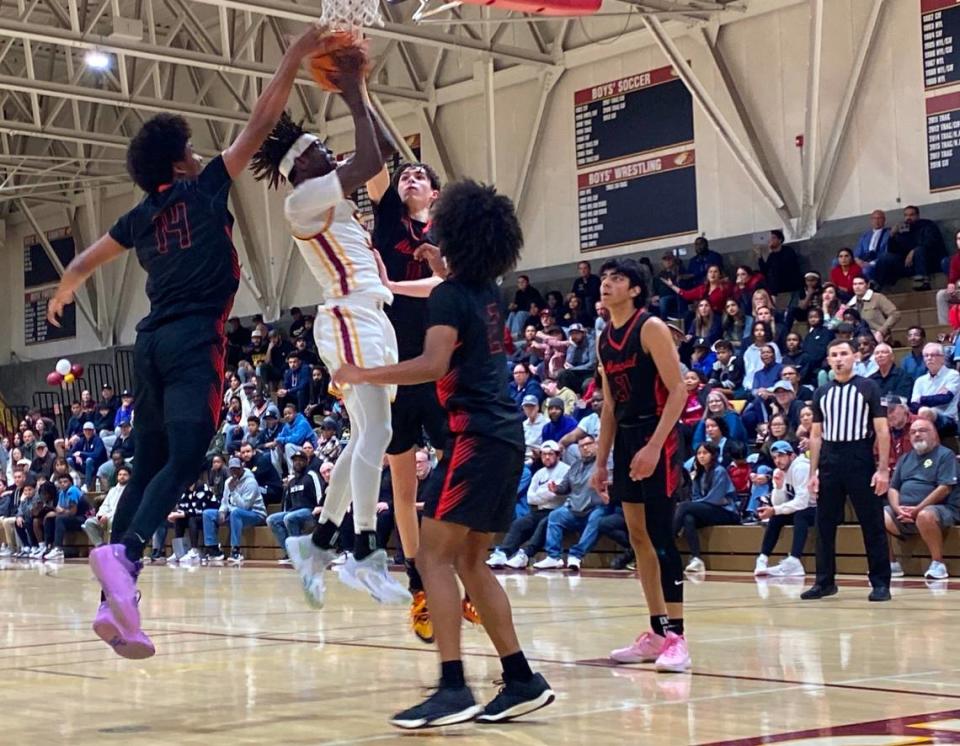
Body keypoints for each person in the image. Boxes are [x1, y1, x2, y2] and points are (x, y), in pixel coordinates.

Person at [44, 26, 328, 659]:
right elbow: (263, 119)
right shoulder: (203, 190)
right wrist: (292, 54)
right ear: (179, 163)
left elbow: (85, 261)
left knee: (147, 466)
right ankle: (126, 556)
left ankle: (116, 608)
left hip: (146, 347)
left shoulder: (140, 215)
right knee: (188, 452)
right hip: (193, 341)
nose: (201, 155)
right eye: (193, 150)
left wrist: (64, 292)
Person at [334, 180, 554, 728]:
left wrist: (363, 373)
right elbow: (457, 286)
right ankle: (521, 678)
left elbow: (432, 366)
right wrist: (440, 263)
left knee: (431, 555)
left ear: (455, 232)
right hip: (504, 437)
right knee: (471, 561)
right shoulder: (485, 291)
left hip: (473, 437)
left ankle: (453, 687)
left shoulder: (450, 297)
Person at [249, 61, 412, 609]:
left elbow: (382, 147)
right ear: (304, 166)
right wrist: (349, 92)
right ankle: (363, 551)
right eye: (321, 148)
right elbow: (369, 156)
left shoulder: (328, 196)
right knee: (379, 435)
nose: (332, 152)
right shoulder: (301, 202)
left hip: (369, 319)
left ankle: (317, 543)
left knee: (367, 437)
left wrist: (360, 90)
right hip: (348, 318)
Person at [590, 258, 690, 673]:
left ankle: (679, 639)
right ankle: (656, 630)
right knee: (637, 536)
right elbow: (610, 406)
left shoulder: (650, 327)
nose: (606, 284)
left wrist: (653, 446)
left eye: (616, 279)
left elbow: (680, 391)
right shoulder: (602, 340)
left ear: (634, 290)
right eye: (604, 279)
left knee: (662, 535)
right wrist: (601, 463)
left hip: (658, 436)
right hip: (628, 437)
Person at [803, 339, 891, 602]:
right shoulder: (821, 392)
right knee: (824, 524)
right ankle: (824, 581)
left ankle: (880, 582)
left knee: (871, 522)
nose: (839, 359)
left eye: (843, 354)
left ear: (854, 356)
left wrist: (883, 469)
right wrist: (812, 473)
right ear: (828, 360)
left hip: (859, 457)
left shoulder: (868, 387)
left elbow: (882, 429)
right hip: (830, 458)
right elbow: (815, 435)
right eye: (834, 355)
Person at [884, 418, 958, 580]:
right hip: (904, 511)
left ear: (934, 434)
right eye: (913, 432)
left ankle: (938, 563)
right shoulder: (905, 458)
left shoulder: (945, 455)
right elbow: (893, 488)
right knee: (878, 515)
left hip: (941, 509)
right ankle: (891, 564)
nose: (917, 434)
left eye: (923, 430)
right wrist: (897, 508)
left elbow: (945, 488)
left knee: (925, 515)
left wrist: (917, 510)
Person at [487, 440, 568, 569]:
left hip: (557, 510)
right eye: (544, 454)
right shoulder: (539, 473)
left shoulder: (565, 470)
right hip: (538, 510)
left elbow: (556, 494)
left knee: (545, 523)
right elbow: (531, 498)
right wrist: (546, 493)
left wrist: (543, 494)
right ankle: (503, 553)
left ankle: (524, 554)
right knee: (519, 524)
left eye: (551, 454)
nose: (547, 457)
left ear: (558, 455)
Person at [674, 442, 740, 573]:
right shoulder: (699, 474)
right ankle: (696, 559)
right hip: (710, 509)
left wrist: (694, 505)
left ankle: (670, 538)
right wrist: (695, 504)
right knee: (688, 518)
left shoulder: (720, 471)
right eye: (699, 453)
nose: (701, 456)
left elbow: (714, 498)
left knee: (684, 506)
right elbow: (695, 496)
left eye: (705, 453)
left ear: (713, 455)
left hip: (727, 512)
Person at [753, 440, 815, 578]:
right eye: (774, 457)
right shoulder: (780, 471)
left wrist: (774, 509)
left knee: (801, 514)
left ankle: (794, 560)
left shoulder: (801, 468)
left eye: (781, 456)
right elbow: (778, 503)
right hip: (805, 508)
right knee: (777, 517)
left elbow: (802, 502)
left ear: (792, 456)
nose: (777, 460)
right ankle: (762, 558)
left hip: (822, 508)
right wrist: (779, 487)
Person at [268, 448, 323, 563]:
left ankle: (302, 554)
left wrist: (320, 506)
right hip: (293, 512)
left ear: (306, 462)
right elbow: (286, 501)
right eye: (295, 460)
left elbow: (319, 491)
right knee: (272, 519)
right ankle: (290, 554)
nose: (297, 462)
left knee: (289, 518)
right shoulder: (292, 481)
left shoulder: (311, 475)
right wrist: (284, 512)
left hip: (310, 510)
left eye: (301, 460)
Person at [910, 343, 960, 436]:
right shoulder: (920, 381)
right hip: (923, 417)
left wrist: (921, 399)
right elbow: (913, 405)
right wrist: (935, 398)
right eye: (926, 356)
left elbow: (945, 398)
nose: (929, 358)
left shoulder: (952, 375)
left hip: (948, 419)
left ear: (942, 358)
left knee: (925, 412)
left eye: (933, 355)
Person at [83, 465, 130, 547]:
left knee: (113, 521)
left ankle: (113, 547)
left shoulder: (130, 491)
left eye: (125, 475)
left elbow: (120, 509)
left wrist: (107, 516)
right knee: (89, 523)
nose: (122, 477)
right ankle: (101, 546)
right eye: (120, 474)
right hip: (106, 517)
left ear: (129, 476)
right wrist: (100, 515)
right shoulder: (112, 490)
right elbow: (105, 506)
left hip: (121, 518)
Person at [849, 276, 900, 344]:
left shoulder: (877, 297)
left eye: (860, 283)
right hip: (859, 341)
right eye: (854, 284)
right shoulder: (850, 304)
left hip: (879, 339)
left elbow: (895, 314)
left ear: (868, 285)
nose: (857, 287)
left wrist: (881, 331)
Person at [853, 209, 892, 280]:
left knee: (866, 270)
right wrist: (858, 261)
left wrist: (872, 263)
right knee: (836, 262)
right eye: (874, 218)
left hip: (878, 260)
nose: (876, 221)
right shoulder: (865, 235)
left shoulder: (888, 233)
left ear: (884, 220)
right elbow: (857, 253)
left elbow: (887, 253)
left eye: (879, 218)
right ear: (871, 220)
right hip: (863, 259)